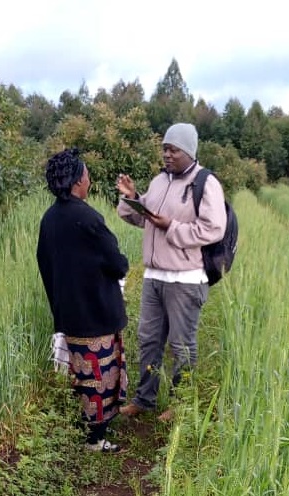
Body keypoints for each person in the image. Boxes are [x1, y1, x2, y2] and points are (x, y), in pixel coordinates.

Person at [116, 123, 227, 421]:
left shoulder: (205, 183)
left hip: (186, 278)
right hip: (155, 277)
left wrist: (172, 227)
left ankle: (181, 405)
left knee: (182, 345)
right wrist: (132, 197)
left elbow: (214, 229)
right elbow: (145, 219)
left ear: (189, 151)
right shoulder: (159, 181)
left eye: (173, 150)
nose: (167, 154)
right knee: (149, 339)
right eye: (164, 149)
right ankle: (144, 399)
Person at [37, 148, 129, 452]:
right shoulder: (88, 217)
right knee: (101, 377)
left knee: (81, 375)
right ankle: (95, 438)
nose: (89, 181)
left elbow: (45, 263)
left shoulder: (49, 218)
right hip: (96, 313)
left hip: (69, 312)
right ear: (77, 181)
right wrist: (122, 264)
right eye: (87, 175)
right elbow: (116, 262)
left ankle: (85, 429)